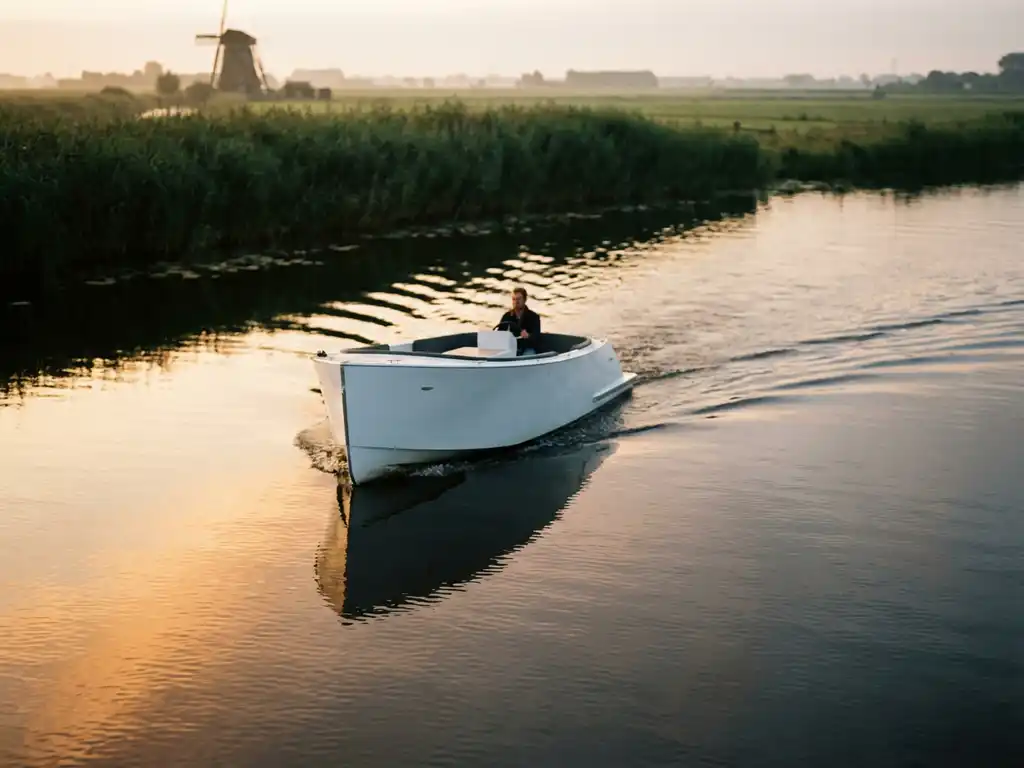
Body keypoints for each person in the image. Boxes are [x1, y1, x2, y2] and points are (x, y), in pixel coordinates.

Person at [496, 286, 541, 355]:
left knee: (528, 356)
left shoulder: (534, 317)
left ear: (525, 300)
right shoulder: (506, 316)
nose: (516, 302)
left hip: (527, 348)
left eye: (519, 299)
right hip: (510, 348)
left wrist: (528, 335)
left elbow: (536, 336)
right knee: (498, 356)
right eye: (514, 299)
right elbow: (499, 334)